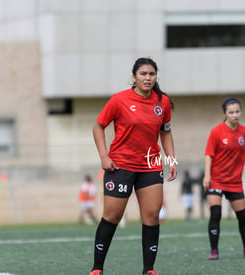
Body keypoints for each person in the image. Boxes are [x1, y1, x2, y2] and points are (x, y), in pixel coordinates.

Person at [91, 57, 177, 275]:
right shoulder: (119, 100)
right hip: (120, 167)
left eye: (151, 74)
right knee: (112, 217)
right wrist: (103, 156)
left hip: (150, 166)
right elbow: (98, 126)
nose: (148, 78)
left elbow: (165, 133)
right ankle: (97, 269)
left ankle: (149, 270)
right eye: (143, 74)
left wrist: (171, 160)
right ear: (134, 77)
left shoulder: (163, 102)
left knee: (151, 217)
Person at [203, 98, 245, 260]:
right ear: (224, 114)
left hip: (234, 182)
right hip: (216, 180)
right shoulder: (216, 132)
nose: (235, 115)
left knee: (243, 218)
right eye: (231, 112)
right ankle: (214, 251)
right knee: (215, 214)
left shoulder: (244, 132)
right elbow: (209, 155)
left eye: (237, 111)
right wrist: (207, 176)